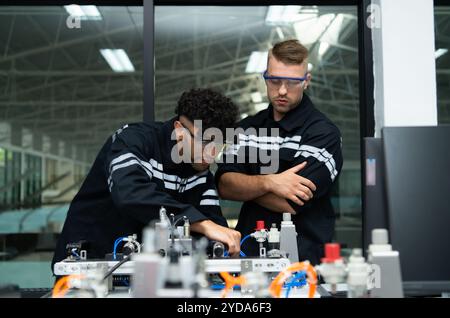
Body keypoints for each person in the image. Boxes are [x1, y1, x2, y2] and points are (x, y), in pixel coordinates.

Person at [52, 88, 241, 272]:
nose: (212, 154)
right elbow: (130, 194)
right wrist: (201, 223)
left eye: (219, 144)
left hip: (142, 269)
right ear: (179, 130)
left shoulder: (201, 172)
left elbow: (212, 224)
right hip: (90, 260)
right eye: (205, 142)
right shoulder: (133, 141)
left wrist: (221, 243)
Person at [216, 39, 343, 265]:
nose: (282, 90)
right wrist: (270, 183)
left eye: (292, 82)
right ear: (265, 77)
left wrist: (245, 186)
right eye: (275, 81)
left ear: (307, 82)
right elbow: (224, 186)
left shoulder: (323, 134)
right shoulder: (247, 129)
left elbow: (292, 203)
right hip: (249, 254)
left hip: (303, 260)